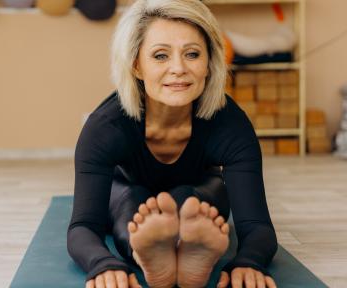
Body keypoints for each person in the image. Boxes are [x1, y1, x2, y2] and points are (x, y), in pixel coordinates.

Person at [67, 0, 278, 287]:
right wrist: (103, 265)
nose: (178, 68)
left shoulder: (231, 125)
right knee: (132, 198)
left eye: (192, 54)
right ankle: (148, 253)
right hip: (126, 193)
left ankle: (188, 248)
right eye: (160, 56)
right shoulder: (106, 127)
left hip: (199, 195)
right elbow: (83, 227)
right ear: (136, 65)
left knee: (191, 199)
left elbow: (256, 226)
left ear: (209, 63)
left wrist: (249, 261)